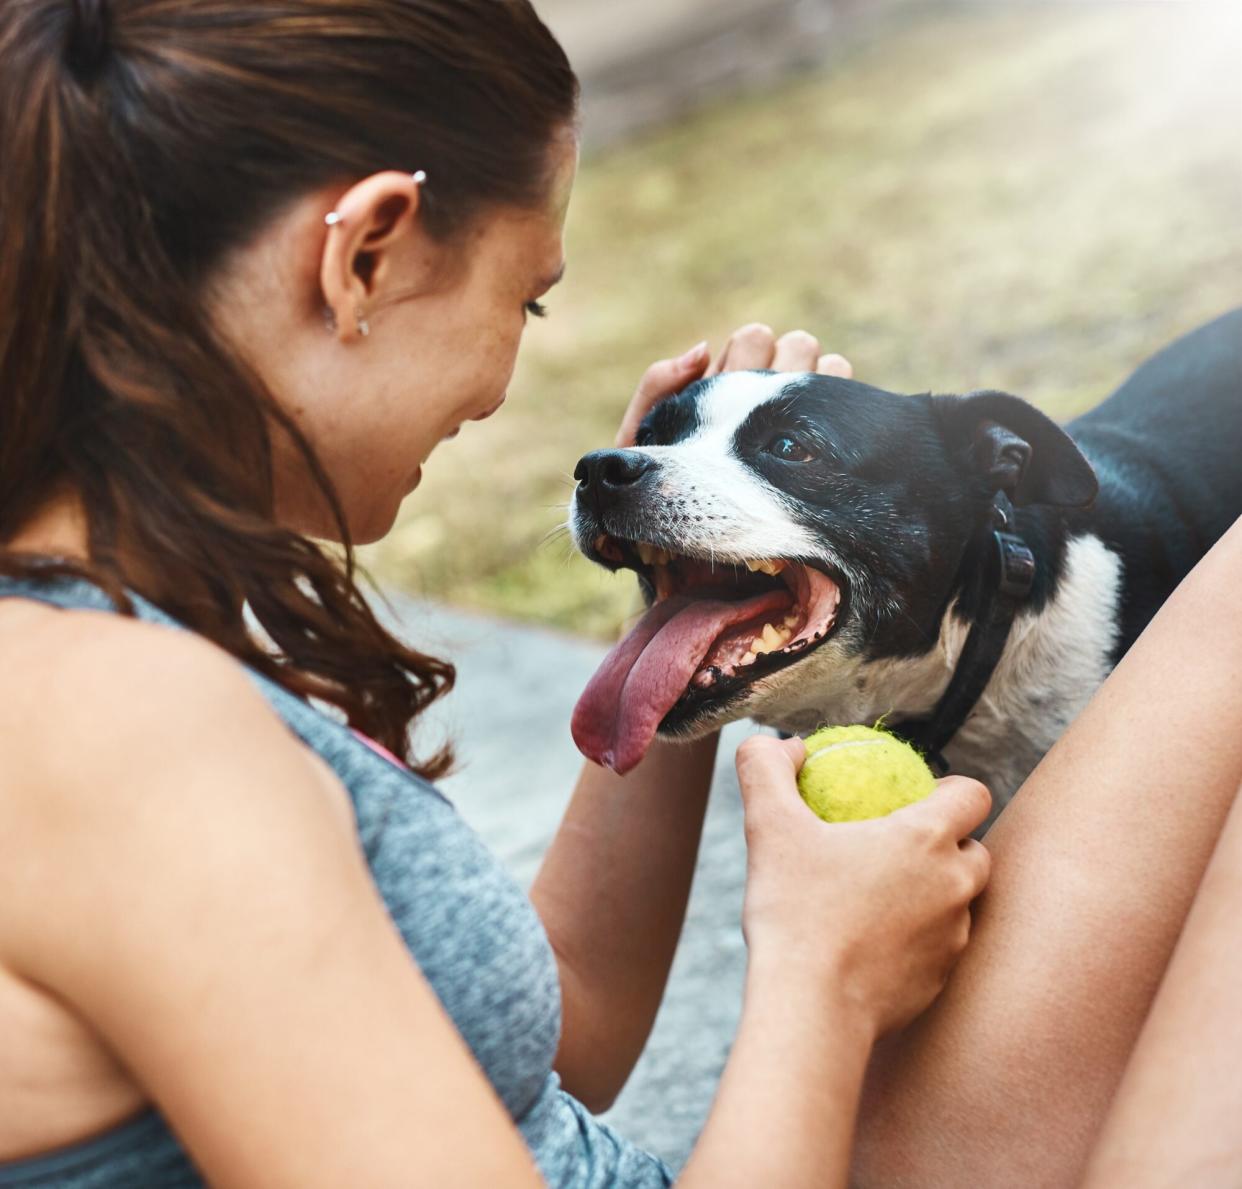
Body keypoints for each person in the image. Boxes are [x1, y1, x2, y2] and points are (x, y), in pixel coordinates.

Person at [0, 3, 1238, 1187]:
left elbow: (555, 1033)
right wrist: (821, 979)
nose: (509, 372)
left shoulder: (112, 642)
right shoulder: (119, 734)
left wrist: (696, 605)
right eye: (528, 295)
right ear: (367, 252)